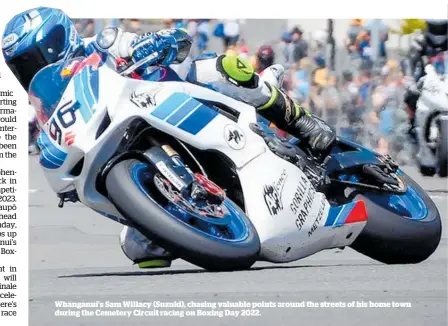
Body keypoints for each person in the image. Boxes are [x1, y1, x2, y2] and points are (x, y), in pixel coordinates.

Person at [3, 7, 335, 268]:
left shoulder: (102, 45)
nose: (29, 69)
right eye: (20, 65)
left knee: (228, 66)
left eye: (31, 58)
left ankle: (300, 121)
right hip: (132, 142)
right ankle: (193, 212)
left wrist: (160, 41)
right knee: (140, 250)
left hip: (175, 96)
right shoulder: (47, 109)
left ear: (55, 41)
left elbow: (174, 40)